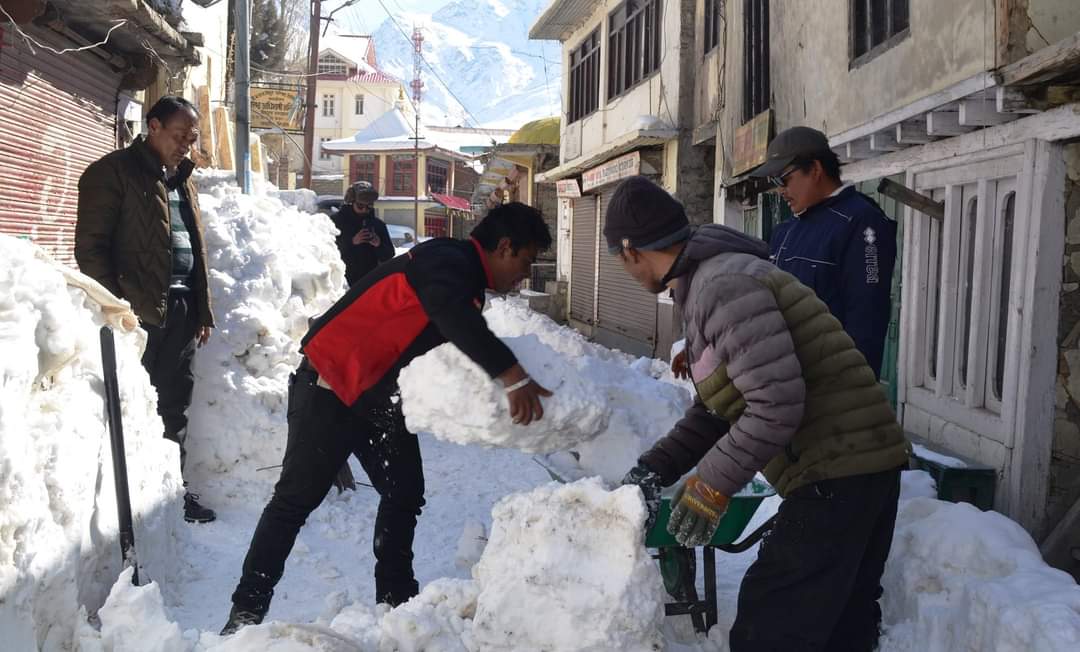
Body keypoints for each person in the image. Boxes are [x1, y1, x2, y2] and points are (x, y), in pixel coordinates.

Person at [222, 202, 554, 634]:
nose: (525, 275)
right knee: (294, 501)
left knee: (404, 492)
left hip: (378, 394)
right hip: (331, 383)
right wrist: (511, 374)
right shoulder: (450, 262)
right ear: (505, 246)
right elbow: (449, 312)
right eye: (526, 262)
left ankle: (396, 603)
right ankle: (245, 612)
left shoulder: (461, 274)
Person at [607, 176, 910, 651]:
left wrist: (709, 485)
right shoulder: (710, 282)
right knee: (841, 622)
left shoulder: (722, 286)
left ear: (629, 252)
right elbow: (718, 410)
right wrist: (654, 467)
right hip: (862, 462)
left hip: (838, 467)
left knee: (770, 625)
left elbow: (776, 405)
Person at [76, 96, 216, 524]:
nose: (185, 147)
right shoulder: (110, 173)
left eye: (192, 140)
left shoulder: (182, 178)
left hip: (182, 307)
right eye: (179, 137)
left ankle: (172, 493)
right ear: (153, 126)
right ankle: (131, 500)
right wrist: (119, 309)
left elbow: (195, 245)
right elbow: (91, 251)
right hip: (136, 316)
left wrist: (203, 309)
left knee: (176, 402)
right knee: (135, 404)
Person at [749, 126, 897, 378]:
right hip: (782, 381)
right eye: (774, 183)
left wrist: (852, 392)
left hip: (828, 388)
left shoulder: (860, 223)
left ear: (815, 169)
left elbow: (867, 316)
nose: (780, 190)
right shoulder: (786, 230)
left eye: (783, 179)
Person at [332, 180, 395, 286]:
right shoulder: (336, 222)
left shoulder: (378, 225)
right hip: (342, 282)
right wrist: (352, 241)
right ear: (351, 202)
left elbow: (389, 255)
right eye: (360, 206)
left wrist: (378, 244)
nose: (365, 210)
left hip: (369, 282)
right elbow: (328, 252)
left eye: (369, 206)